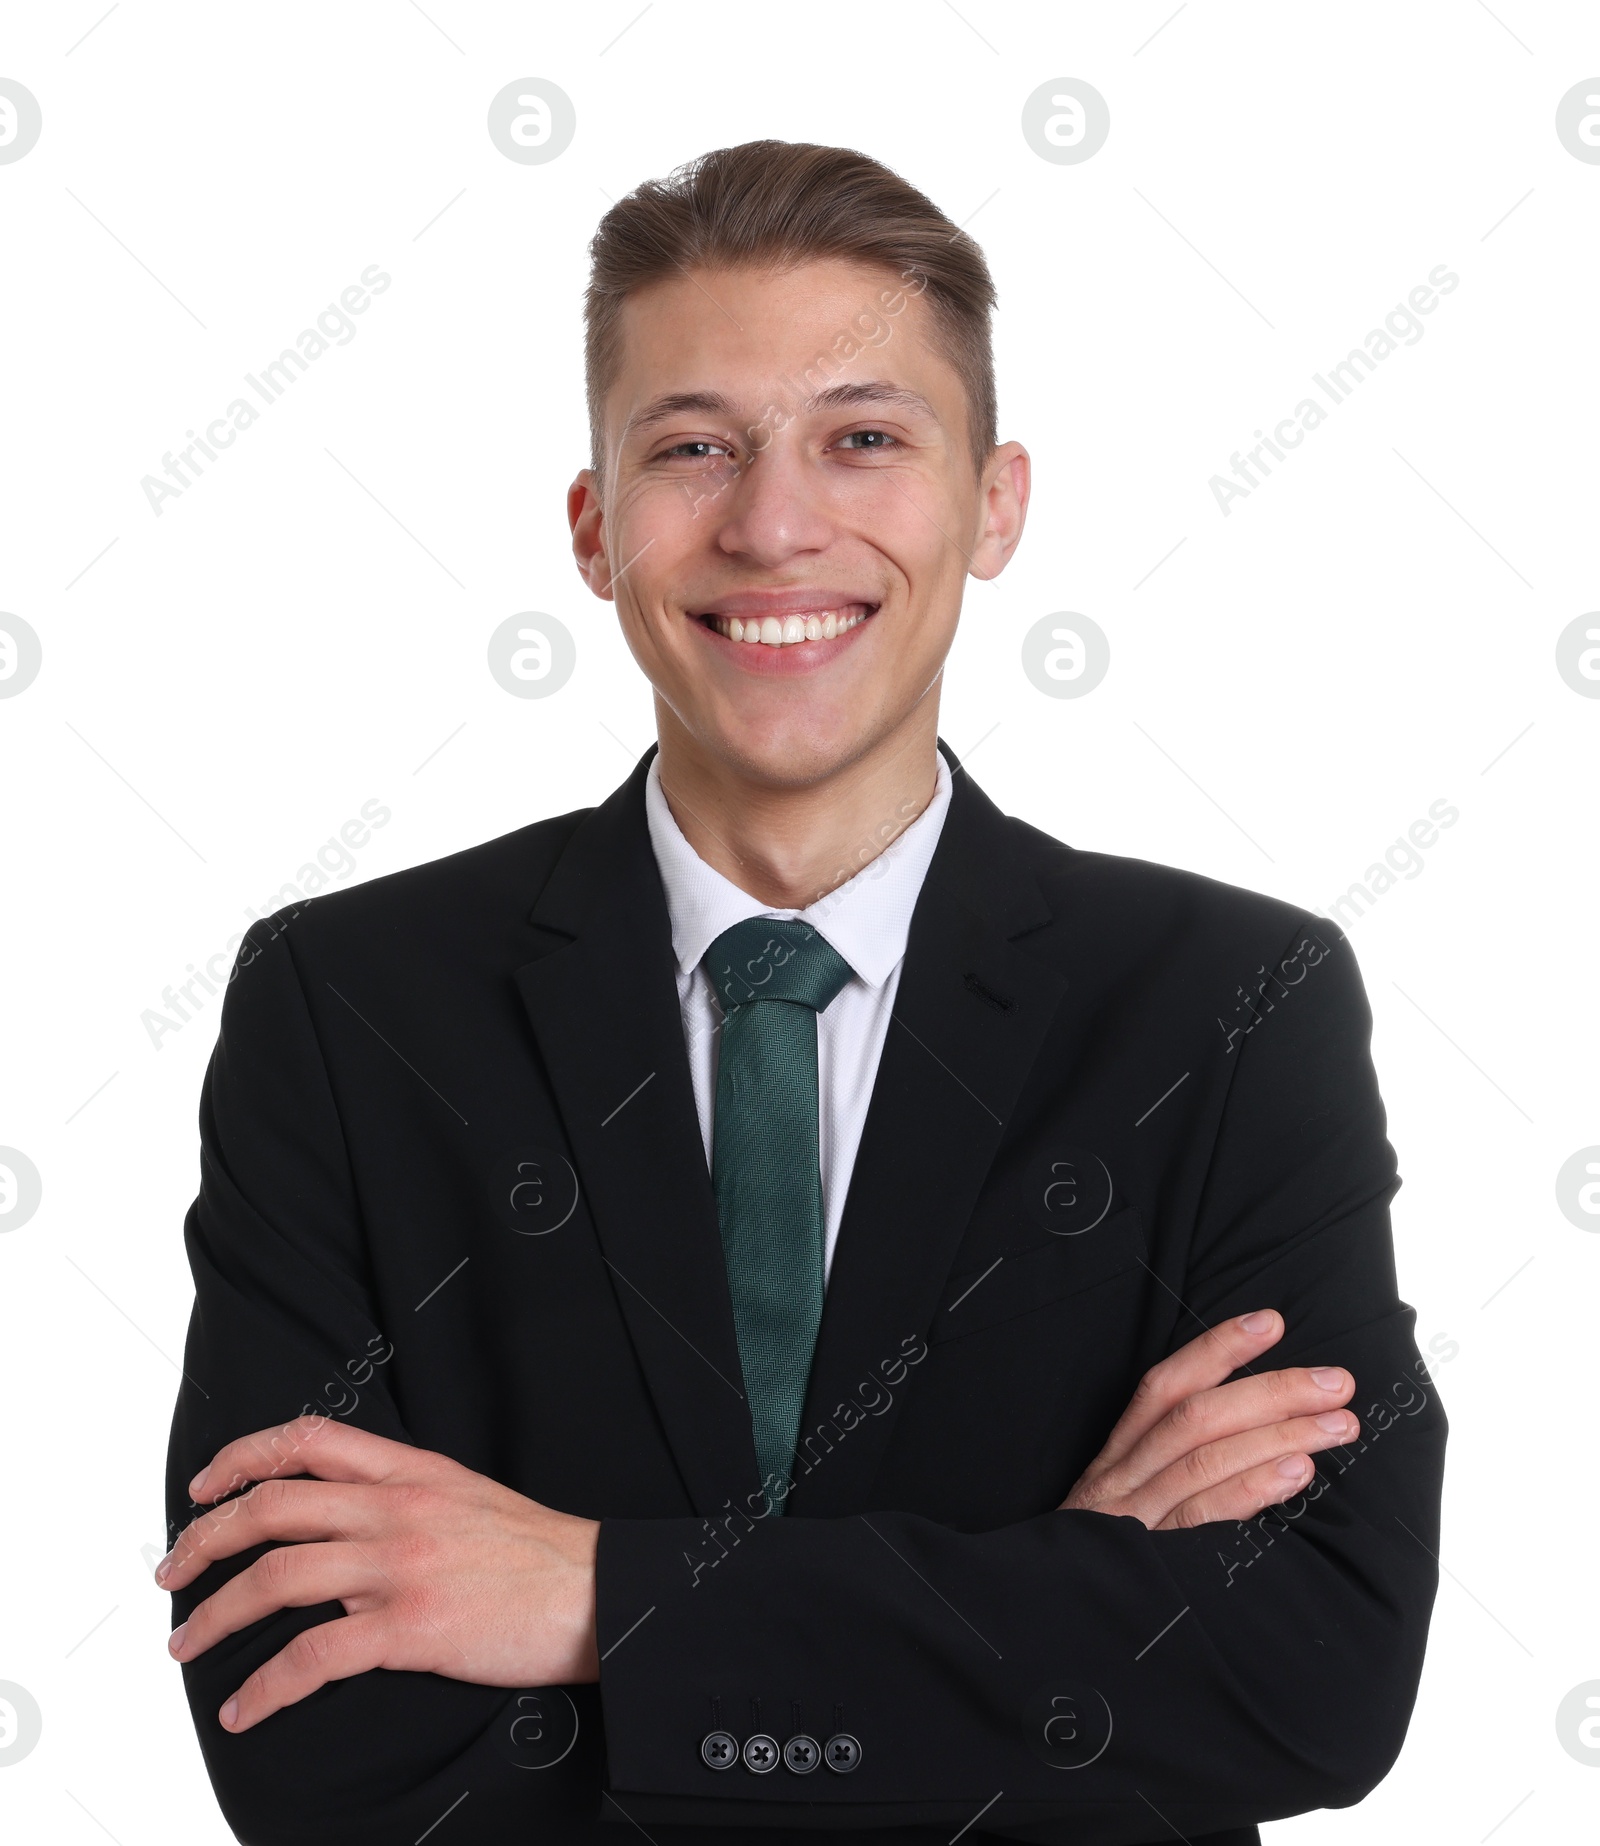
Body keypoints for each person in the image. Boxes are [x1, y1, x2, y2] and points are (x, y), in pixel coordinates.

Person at [159, 140, 1445, 1846]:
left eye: (864, 438)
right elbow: (301, 1735)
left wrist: (585, 1595)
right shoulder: (349, 1009)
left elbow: (1316, 1675)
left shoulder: (1231, 1004)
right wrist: (1052, 1597)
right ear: (593, 524)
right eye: (694, 447)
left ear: (992, 504)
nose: (773, 523)